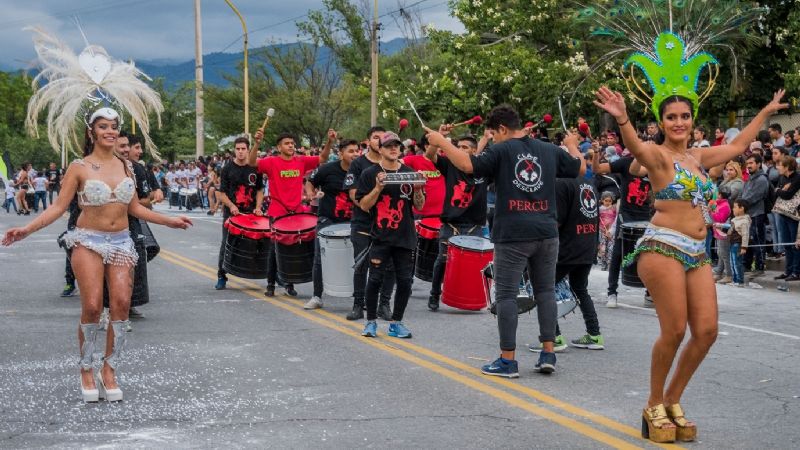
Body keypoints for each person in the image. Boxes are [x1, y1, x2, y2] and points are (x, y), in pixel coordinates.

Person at [594, 83, 787, 442]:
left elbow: (737, 146)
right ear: (662, 122)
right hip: (663, 246)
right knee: (675, 331)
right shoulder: (656, 155)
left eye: (684, 116)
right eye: (671, 117)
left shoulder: (698, 158)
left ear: (692, 119)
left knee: (707, 332)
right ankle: (653, 404)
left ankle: (672, 400)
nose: (679, 122)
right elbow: (636, 147)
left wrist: (766, 112)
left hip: (697, 252)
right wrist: (622, 119)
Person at [3, 108, 192, 403]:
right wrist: (26, 230)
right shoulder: (79, 167)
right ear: (91, 132)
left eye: (114, 127)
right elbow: (57, 207)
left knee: (120, 305)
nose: (110, 131)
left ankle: (110, 369)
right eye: (103, 126)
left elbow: (135, 209)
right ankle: (86, 369)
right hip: (88, 241)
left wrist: (171, 221)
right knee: (92, 306)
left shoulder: (126, 166)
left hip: (121, 242)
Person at [425, 104, 585, 377]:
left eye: (494, 134)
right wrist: (571, 145)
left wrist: (441, 142)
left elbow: (467, 165)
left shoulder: (501, 149)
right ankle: (548, 353)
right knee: (545, 291)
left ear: (501, 129)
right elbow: (579, 169)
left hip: (513, 233)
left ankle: (508, 360)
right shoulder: (549, 149)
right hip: (547, 231)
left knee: (507, 295)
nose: (495, 139)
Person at [356, 131, 426, 338]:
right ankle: (370, 323)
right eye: (389, 146)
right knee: (375, 280)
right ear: (380, 149)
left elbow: (419, 206)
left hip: (405, 236)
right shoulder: (370, 174)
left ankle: (397, 322)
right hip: (380, 236)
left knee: (405, 282)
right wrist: (378, 188)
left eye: (396, 146)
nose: (394, 149)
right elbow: (363, 205)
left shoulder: (409, 172)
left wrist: (419, 189)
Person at [249, 128, 332, 297]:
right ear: (279, 147)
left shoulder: (301, 161)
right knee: (274, 249)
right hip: (277, 212)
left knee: (292, 248)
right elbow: (252, 163)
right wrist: (257, 143)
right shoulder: (271, 162)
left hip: (297, 212)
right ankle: (271, 284)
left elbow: (323, 158)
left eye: (293, 143)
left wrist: (330, 141)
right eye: (287, 144)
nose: (291, 146)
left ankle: (289, 283)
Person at [530, 177, 604, 352]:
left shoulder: (559, 184)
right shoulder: (587, 183)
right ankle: (594, 334)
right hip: (587, 245)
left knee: (543, 288)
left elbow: (556, 220)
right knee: (580, 288)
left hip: (568, 247)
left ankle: (553, 337)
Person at [425, 131, 490, 312]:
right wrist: (438, 137)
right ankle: (434, 293)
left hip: (474, 226)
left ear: (474, 151)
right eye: (458, 147)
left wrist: (485, 138)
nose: (460, 150)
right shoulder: (450, 165)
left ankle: (474, 296)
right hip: (451, 224)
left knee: (476, 265)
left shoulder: (484, 168)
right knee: (442, 260)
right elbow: (430, 155)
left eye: (465, 147)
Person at [343, 126, 397, 320]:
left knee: (389, 266)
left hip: (388, 225)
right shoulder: (358, 164)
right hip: (363, 224)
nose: (380, 141)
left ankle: (384, 304)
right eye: (376, 137)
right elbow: (352, 194)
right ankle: (358, 304)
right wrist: (370, 205)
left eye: (384, 138)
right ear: (368, 142)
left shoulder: (395, 164)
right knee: (361, 265)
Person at [592, 142, 654, 308]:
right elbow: (598, 169)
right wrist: (597, 153)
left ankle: (650, 293)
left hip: (647, 218)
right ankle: (612, 292)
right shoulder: (625, 163)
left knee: (649, 257)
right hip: (626, 217)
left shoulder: (655, 166)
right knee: (618, 255)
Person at [304, 135, 357, 309]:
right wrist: (311, 193)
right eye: (351, 151)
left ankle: (360, 297)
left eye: (357, 151)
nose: (355, 154)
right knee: (320, 258)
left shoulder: (363, 170)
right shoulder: (327, 169)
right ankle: (317, 296)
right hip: (329, 220)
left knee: (359, 259)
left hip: (354, 221)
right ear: (341, 154)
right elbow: (310, 182)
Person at [215, 137, 265, 290]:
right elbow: (221, 193)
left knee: (258, 244)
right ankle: (221, 276)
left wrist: (258, 207)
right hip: (232, 214)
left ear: (248, 150)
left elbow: (259, 190)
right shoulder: (227, 169)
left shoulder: (255, 168)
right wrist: (231, 206)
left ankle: (269, 276)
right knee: (227, 243)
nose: (241, 151)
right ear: (234, 150)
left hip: (250, 214)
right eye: (238, 149)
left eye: (243, 149)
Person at [741, 154, 770, 276]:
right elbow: (743, 194)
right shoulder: (749, 178)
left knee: (758, 241)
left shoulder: (762, 179)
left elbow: (753, 197)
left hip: (757, 214)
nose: (749, 166)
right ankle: (747, 265)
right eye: (747, 164)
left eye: (751, 163)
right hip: (747, 214)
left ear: (758, 164)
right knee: (748, 241)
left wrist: (741, 204)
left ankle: (760, 267)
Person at [772, 155, 800, 281]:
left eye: (780, 166)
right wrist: (780, 190)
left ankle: (796, 271)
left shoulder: (798, 178)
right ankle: (788, 271)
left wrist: (780, 191)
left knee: (795, 245)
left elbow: (787, 195)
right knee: (786, 244)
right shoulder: (782, 177)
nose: (778, 168)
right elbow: (776, 191)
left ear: (787, 167)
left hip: (794, 215)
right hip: (782, 213)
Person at [728, 199, 752, 287]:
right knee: (732, 262)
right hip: (732, 243)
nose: (733, 209)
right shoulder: (735, 219)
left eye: (735, 207)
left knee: (737, 262)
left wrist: (744, 247)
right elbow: (731, 230)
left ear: (741, 208)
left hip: (738, 244)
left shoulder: (744, 221)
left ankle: (739, 281)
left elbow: (745, 235)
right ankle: (734, 280)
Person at [597, 191, 617, 271]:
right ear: (602, 200)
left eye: (610, 201)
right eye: (606, 201)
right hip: (602, 230)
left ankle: (609, 264)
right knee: (603, 247)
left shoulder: (614, 209)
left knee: (611, 247)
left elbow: (616, 219)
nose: (608, 203)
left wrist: (611, 230)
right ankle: (603, 263)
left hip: (611, 231)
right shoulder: (599, 209)